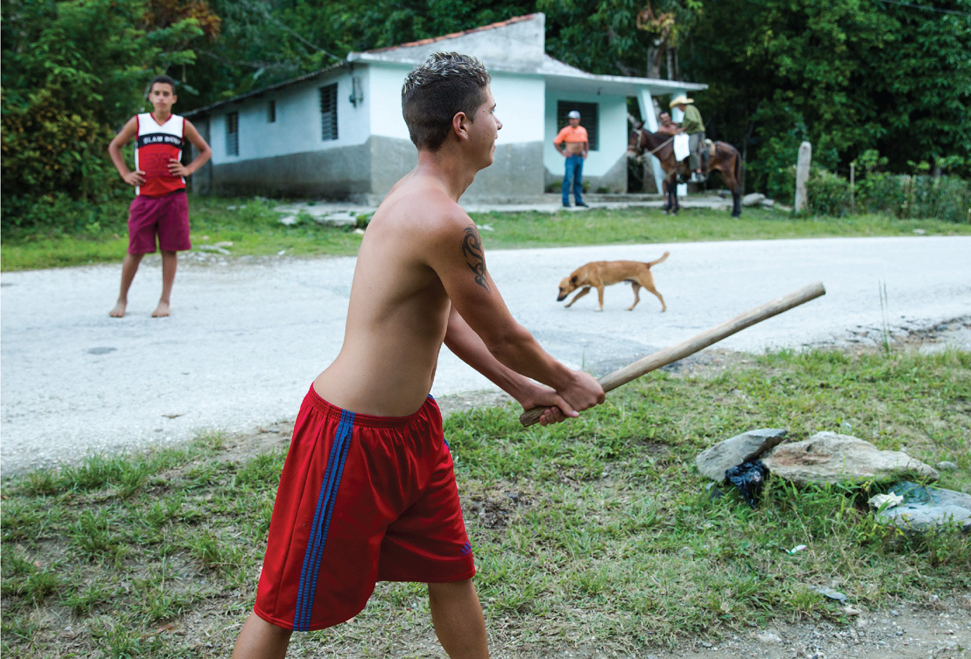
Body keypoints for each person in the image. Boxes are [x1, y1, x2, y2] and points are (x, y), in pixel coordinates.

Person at [230, 52, 605, 659]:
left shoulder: (425, 201)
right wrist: (568, 379)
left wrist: (525, 388)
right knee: (281, 606)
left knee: (452, 570)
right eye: (491, 111)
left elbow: (450, 318)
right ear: (462, 124)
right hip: (350, 438)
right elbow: (507, 335)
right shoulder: (438, 218)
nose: (499, 125)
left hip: (413, 434)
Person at [107, 75, 211, 318]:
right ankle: (122, 300)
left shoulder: (181, 125)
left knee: (169, 249)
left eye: (166, 94)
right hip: (145, 197)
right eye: (157, 93)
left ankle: (164, 301)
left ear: (174, 98)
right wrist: (125, 173)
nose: (161, 98)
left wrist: (188, 169)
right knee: (135, 250)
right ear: (151, 97)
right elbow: (115, 146)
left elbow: (205, 150)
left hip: (174, 196)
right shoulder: (139, 122)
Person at [553, 110, 589, 207]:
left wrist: (586, 152)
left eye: (574, 119)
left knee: (578, 180)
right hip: (571, 157)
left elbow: (586, 142)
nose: (572, 121)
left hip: (580, 157)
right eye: (571, 119)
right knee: (568, 179)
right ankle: (565, 201)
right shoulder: (565, 130)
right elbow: (556, 142)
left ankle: (578, 200)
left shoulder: (583, 130)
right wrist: (562, 153)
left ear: (578, 120)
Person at [670, 95, 705, 183]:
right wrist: (679, 124)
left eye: (678, 106)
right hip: (691, 133)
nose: (678, 108)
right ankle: (685, 173)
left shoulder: (689, 109)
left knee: (691, 149)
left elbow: (693, 121)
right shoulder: (689, 110)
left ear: (681, 105)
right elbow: (689, 121)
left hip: (695, 133)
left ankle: (698, 171)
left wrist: (682, 129)